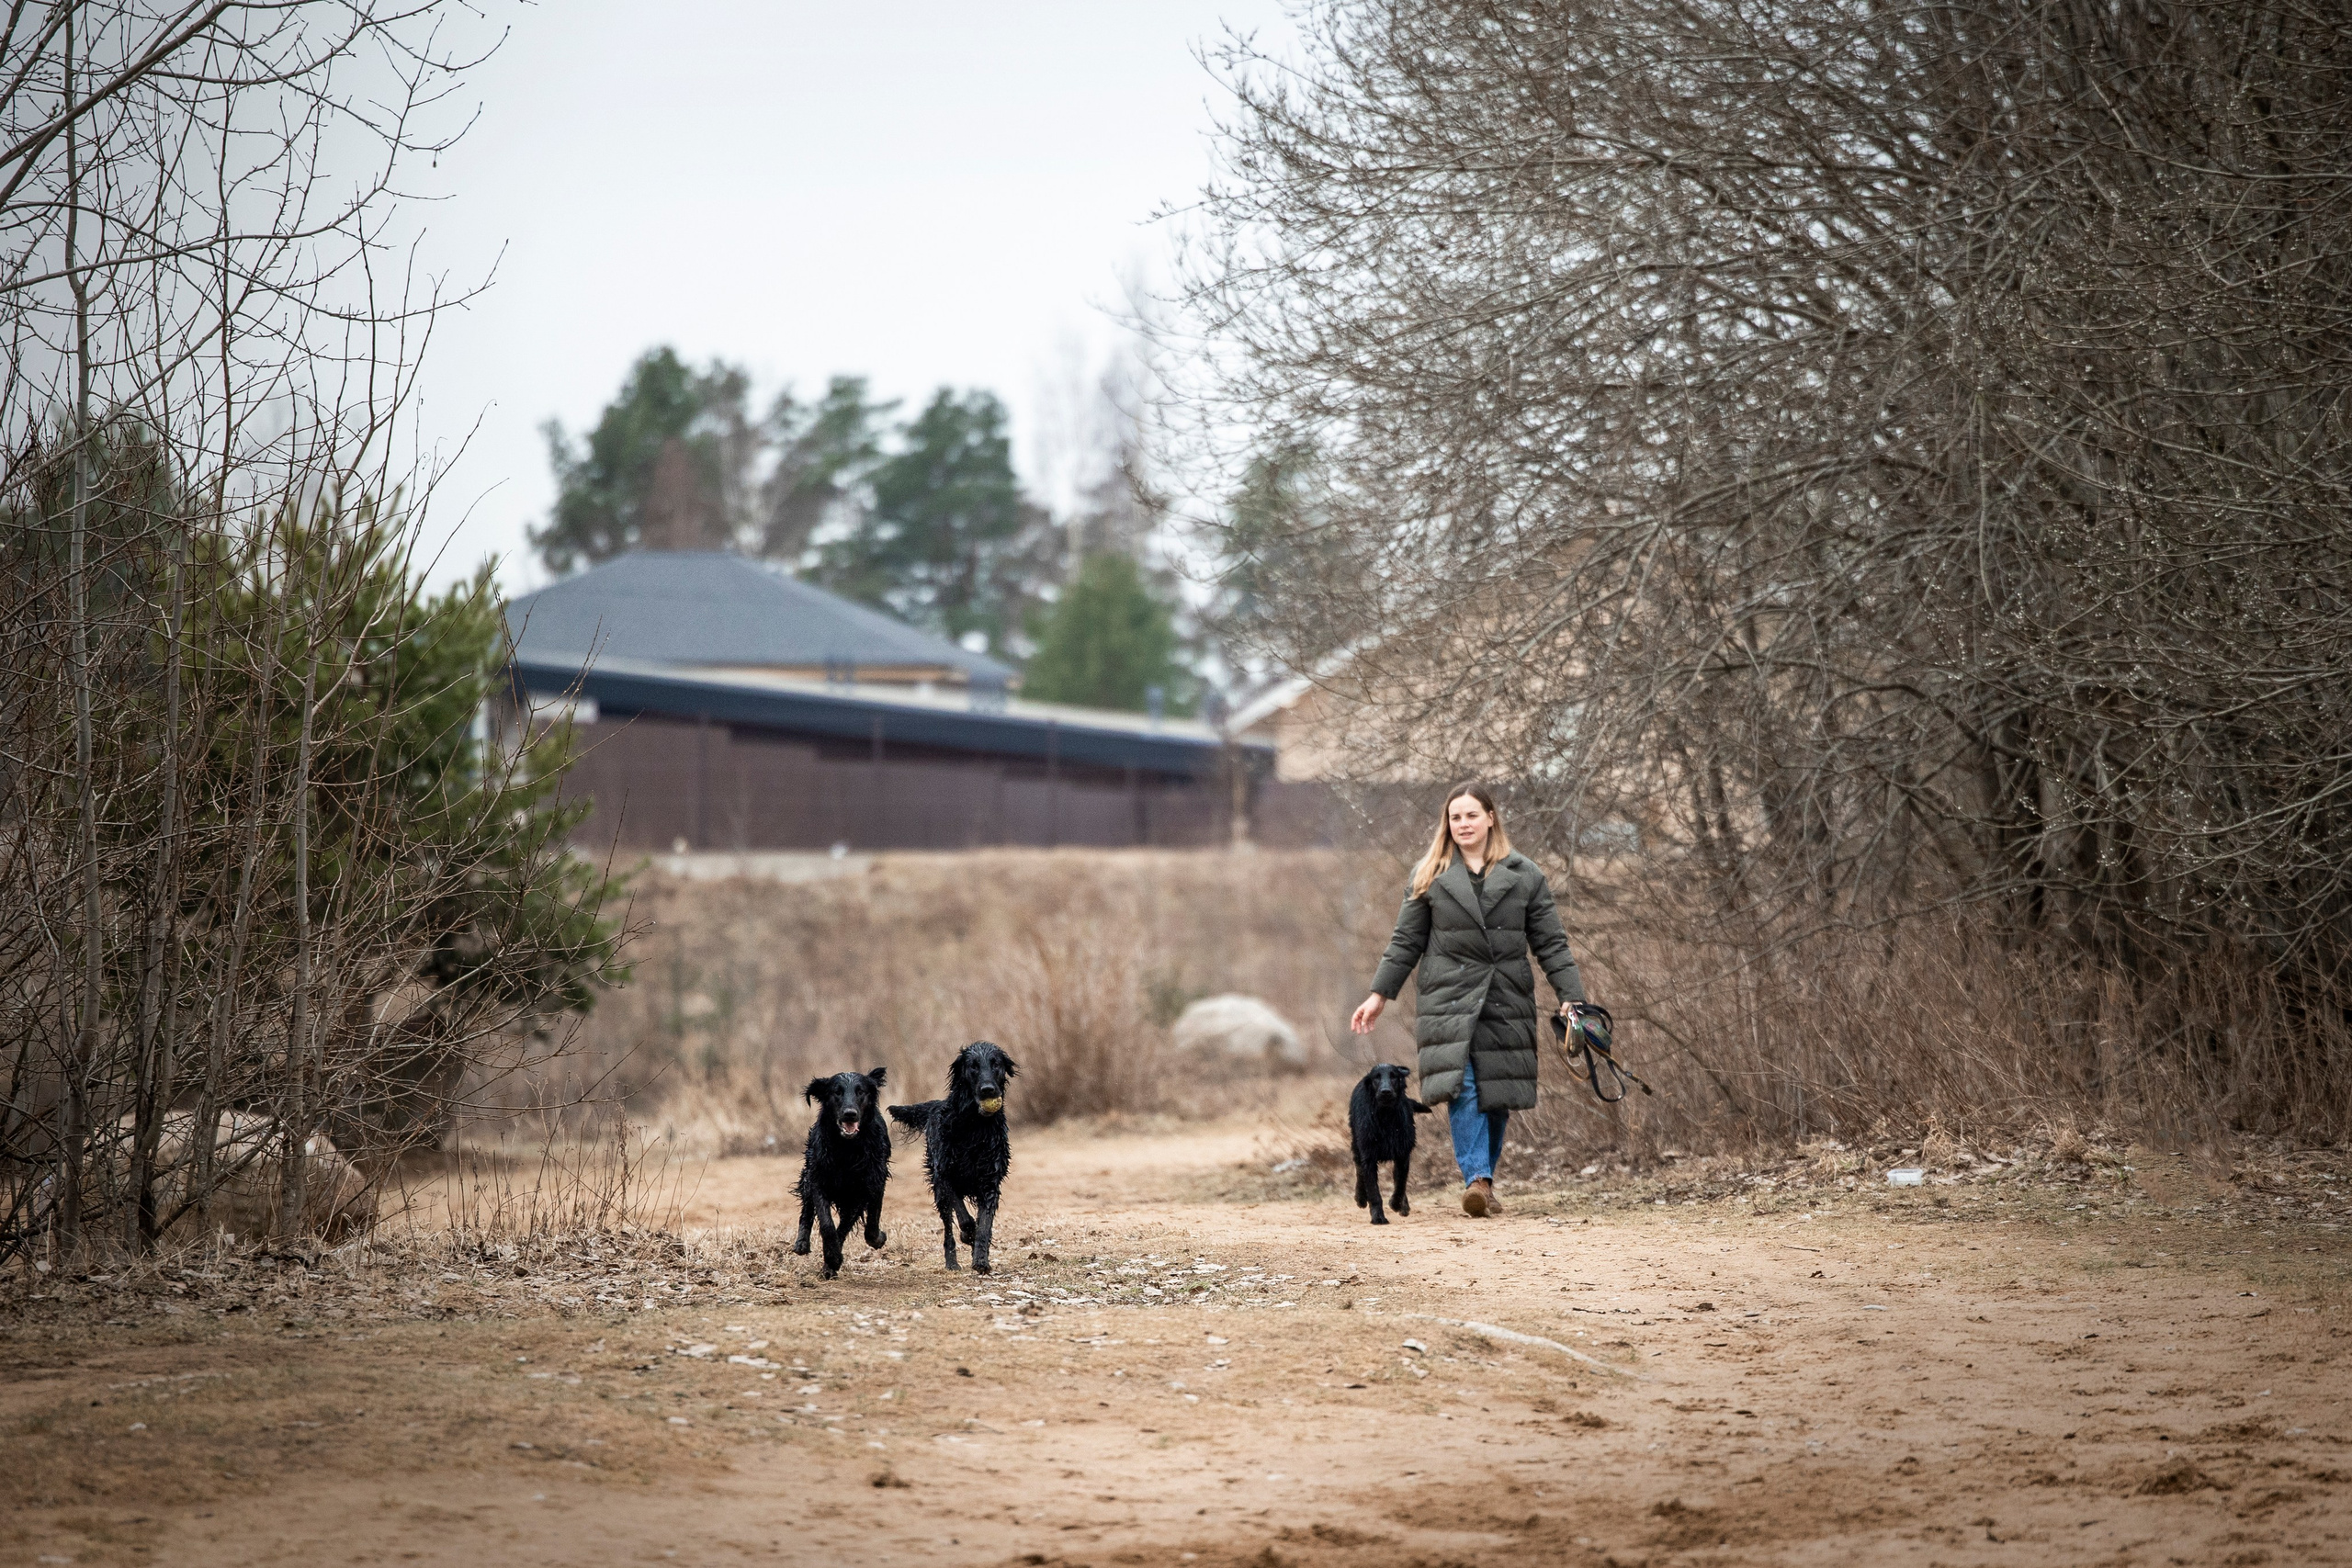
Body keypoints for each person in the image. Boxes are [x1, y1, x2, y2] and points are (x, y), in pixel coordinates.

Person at [1350, 783, 1588, 1217]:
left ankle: (1486, 1182)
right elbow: (1406, 940)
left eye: (1471, 815)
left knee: (1498, 1096)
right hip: (1448, 998)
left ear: (1491, 818)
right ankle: (1475, 1178)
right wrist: (1379, 994)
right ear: (1448, 824)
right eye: (1454, 817)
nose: (1462, 824)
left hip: (1505, 997)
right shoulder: (1430, 874)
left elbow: (1551, 943)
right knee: (1466, 1087)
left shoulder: (1526, 875)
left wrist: (1572, 998)